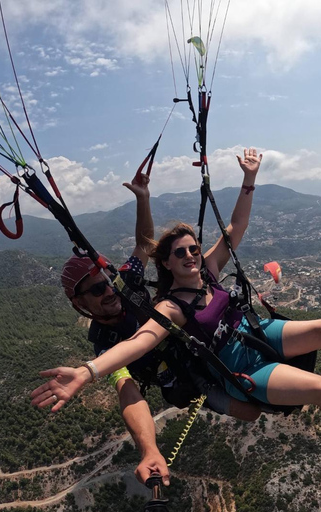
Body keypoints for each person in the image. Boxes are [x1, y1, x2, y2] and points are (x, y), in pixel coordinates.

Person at [32, 155, 321, 459]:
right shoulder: (157, 312)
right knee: (297, 398)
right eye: (180, 254)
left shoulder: (177, 274)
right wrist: (90, 373)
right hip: (220, 367)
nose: (190, 256)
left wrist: (247, 180)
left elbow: (227, 231)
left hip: (247, 333)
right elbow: (140, 346)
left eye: (193, 249)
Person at [57, 148, 263, 487]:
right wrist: (148, 448)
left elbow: (143, 245)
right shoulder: (104, 341)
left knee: (267, 388)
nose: (108, 291)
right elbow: (128, 392)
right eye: (96, 291)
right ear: (80, 303)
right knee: (251, 410)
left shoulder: (127, 282)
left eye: (107, 282)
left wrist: (143, 198)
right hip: (189, 378)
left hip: (208, 344)